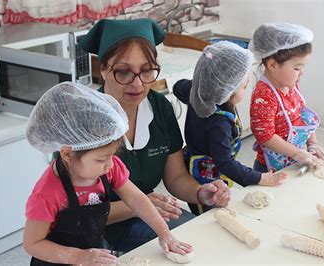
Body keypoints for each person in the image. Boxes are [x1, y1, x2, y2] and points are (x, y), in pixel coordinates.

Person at [78, 18, 230, 253]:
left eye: (147, 70)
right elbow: (78, 210)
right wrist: (139, 205)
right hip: (94, 232)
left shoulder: (159, 108)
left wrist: (201, 193)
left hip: (149, 216)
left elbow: (176, 176)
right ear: (104, 68)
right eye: (124, 72)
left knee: (205, 241)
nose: (138, 84)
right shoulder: (84, 120)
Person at [23, 82, 192, 265]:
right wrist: (79, 257)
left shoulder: (109, 168)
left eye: (112, 156)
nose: (110, 164)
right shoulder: (47, 194)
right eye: (102, 159)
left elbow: (138, 199)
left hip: (93, 250)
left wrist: (164, 233)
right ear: (68, 154)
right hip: (56, 259)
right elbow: (33, 243)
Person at [173, 41, 288, 215]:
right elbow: (225, 162)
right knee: (209, 213)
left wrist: (201, 83)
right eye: (244, 86)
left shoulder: (198, 91)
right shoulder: (219, 124)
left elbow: (177, 87)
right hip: (204, 176)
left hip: (199, 160)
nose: (246, 89)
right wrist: (260, 177)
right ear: (225, 91)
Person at [248, 22, 324, 173]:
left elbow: (302, 118)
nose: (302, 72)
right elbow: (265, 136)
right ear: (272, 65)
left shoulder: (291, 85)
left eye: (304, 66)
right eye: (297, 68)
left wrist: (312, 144)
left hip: (294, 161)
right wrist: (298, 153)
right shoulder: (264, 96)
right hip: (269, 169)